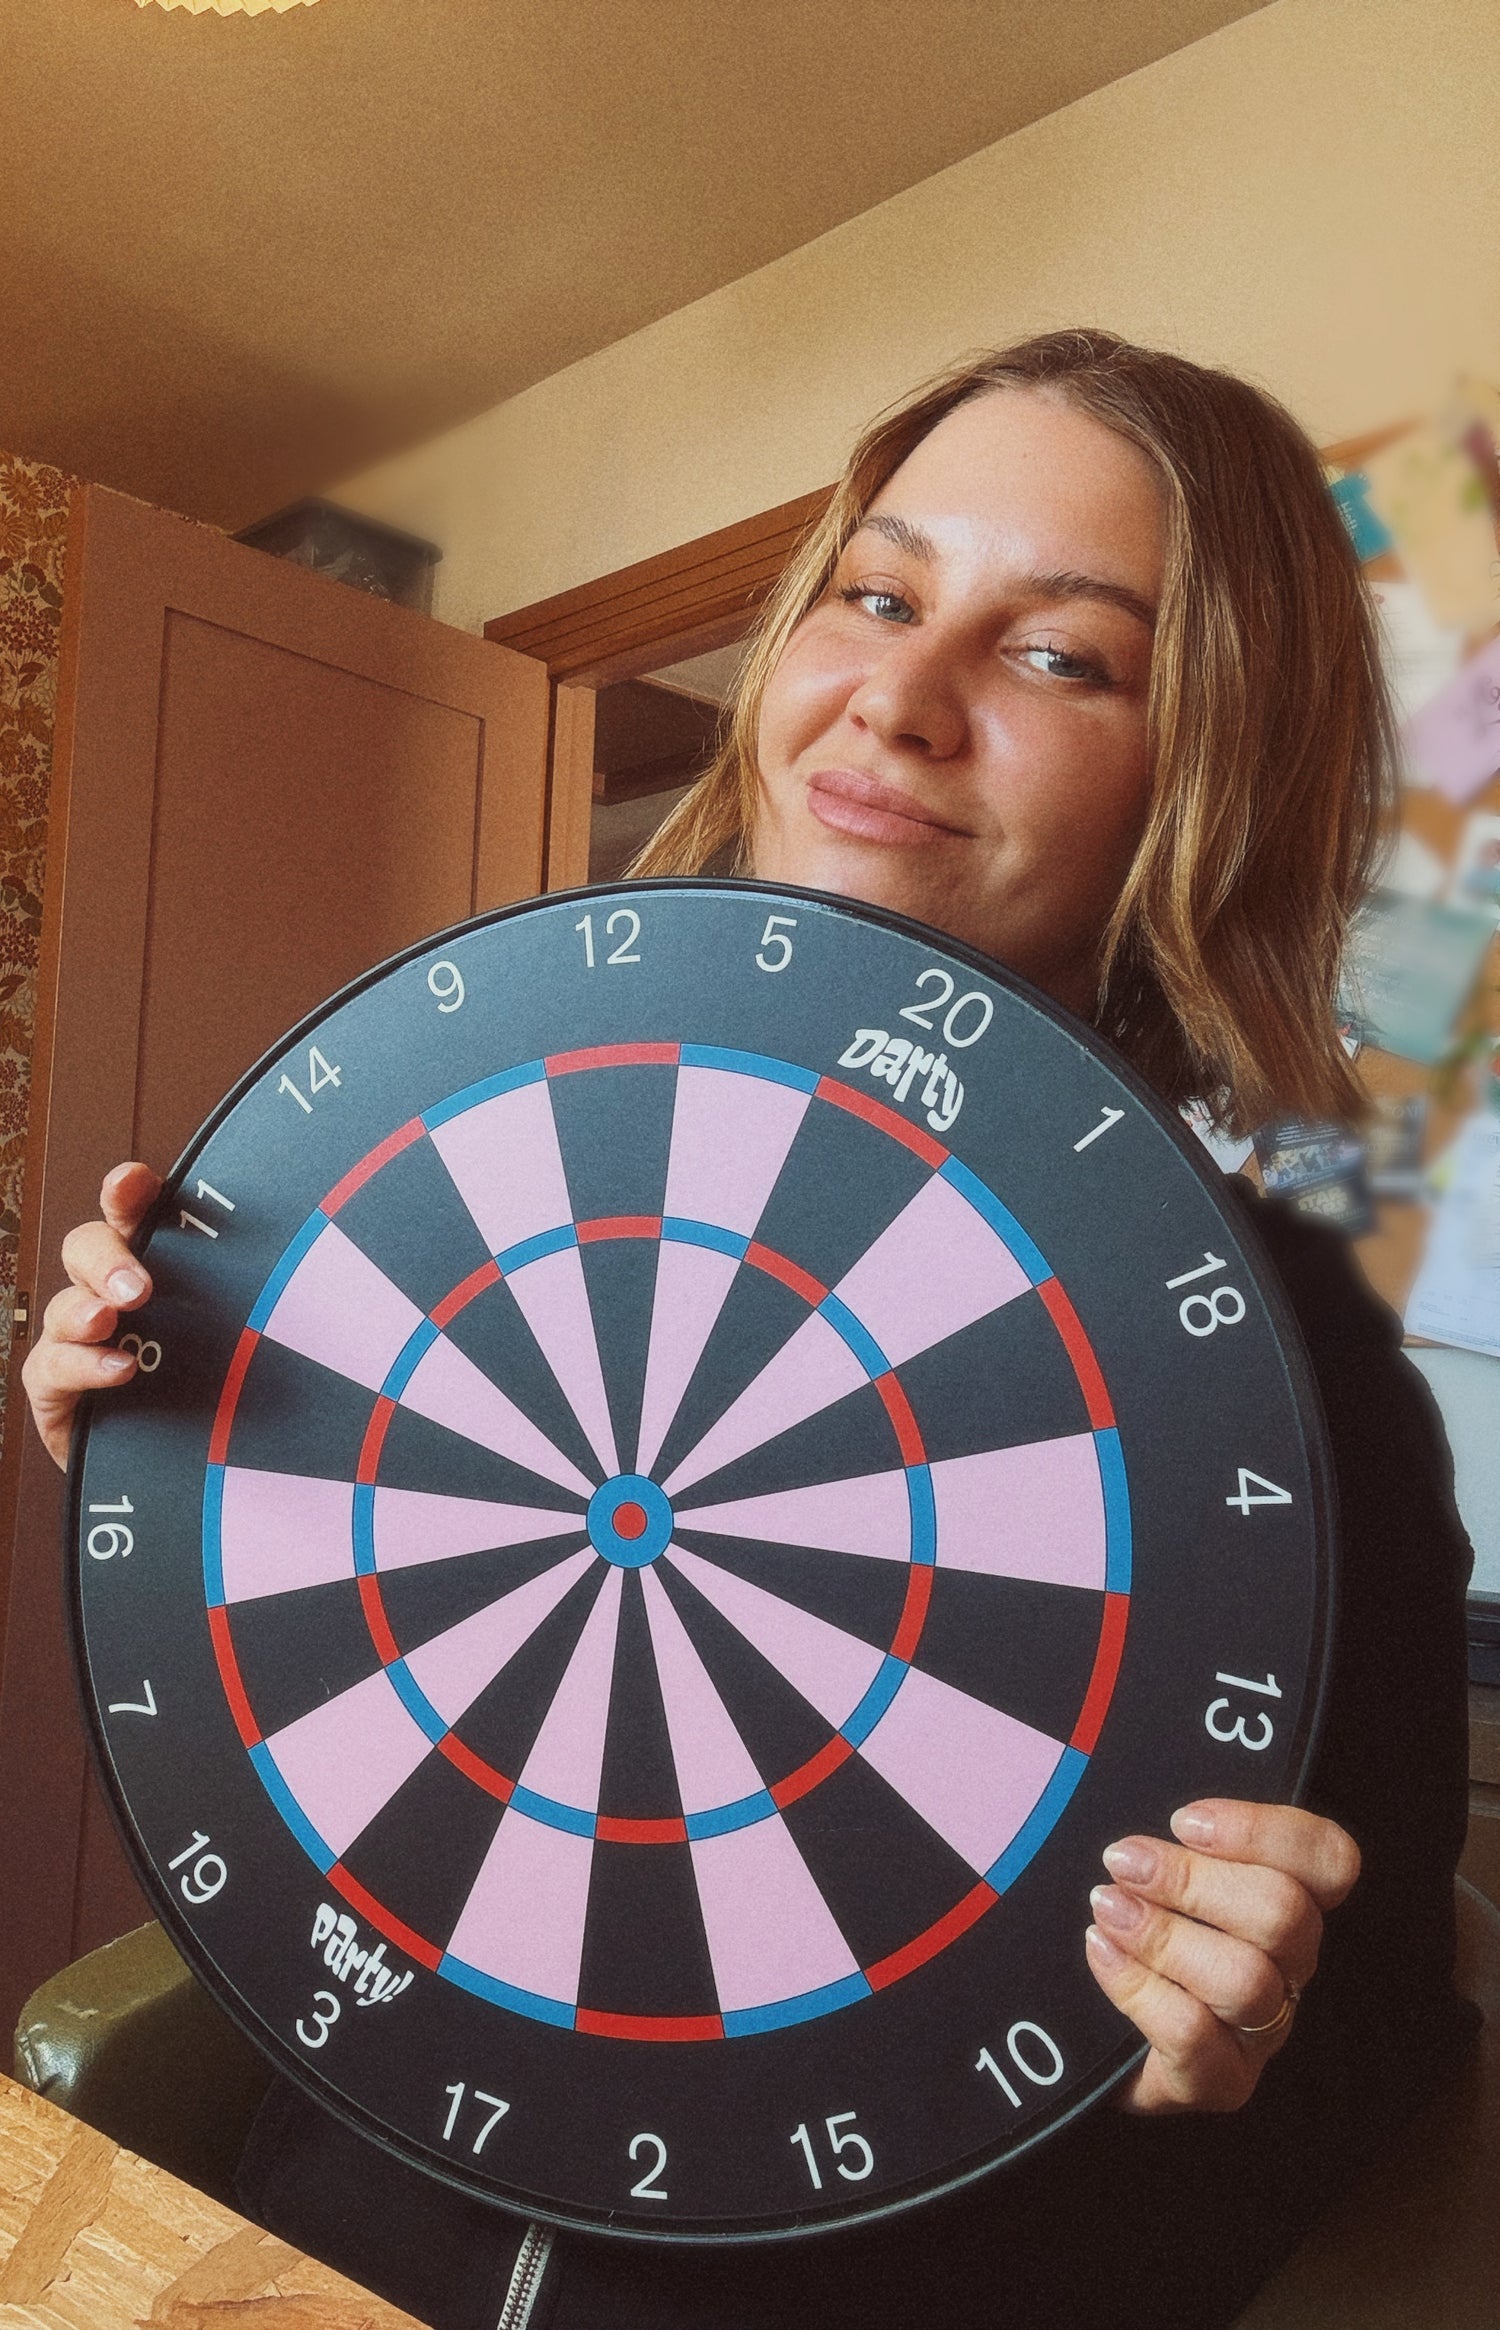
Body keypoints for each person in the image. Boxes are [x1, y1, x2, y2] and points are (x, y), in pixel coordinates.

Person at [23, 330, 1476, 2329]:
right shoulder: (515, 1129)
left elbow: (1374, 2054)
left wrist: (1220, 2047)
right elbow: (452, 1637)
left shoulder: (1290, 1380)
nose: (901, 695)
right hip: (305, 2244)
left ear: (1210, 770)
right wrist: (176, 1440)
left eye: (1063, 654)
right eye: (874, 595)